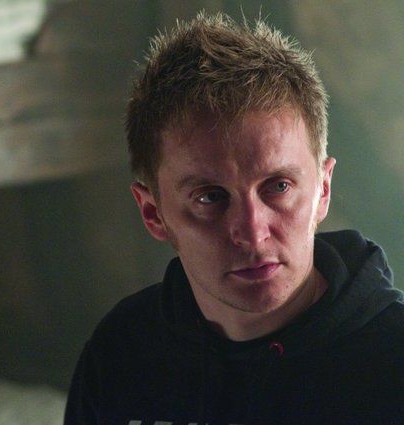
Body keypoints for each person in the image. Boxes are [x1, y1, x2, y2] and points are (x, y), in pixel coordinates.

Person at [64, 11, 404, 425]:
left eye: (278, 186)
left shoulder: (393, 361)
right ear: (153, 214)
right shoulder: (122, 353)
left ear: (323, 190)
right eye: (210, 197)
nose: (253, 233)